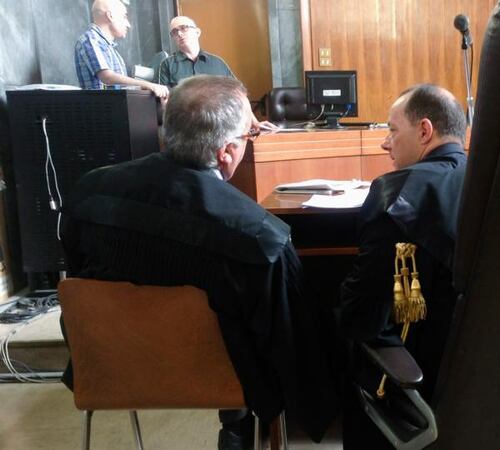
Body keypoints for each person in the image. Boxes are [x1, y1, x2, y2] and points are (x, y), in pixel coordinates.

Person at [60, 75, 338, 449]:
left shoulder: (88, 193)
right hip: (225, 380)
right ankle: (238, 425)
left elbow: (80, 281)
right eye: (248, 135)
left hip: (111, 370)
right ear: (226, 151)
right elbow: (292, 346)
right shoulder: (259, 235)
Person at [336, 84, 468, 449]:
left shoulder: (395, 194)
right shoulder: (492, 183)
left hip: (412, 387)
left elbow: (360, 317)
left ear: (425, 131)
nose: (384, 142)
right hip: (482, 379)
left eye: (392, 130)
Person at [74, 0, 169, 99]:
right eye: (124, 16)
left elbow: (121, 87)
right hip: (102, 111)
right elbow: (107, 77)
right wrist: (148, 85)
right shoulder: (91, 40)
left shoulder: (110, 48)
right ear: (110, 16)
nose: (128, 24)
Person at [157, 16, 234, 88]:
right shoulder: (167, 64)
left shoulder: (218, 62)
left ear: (197, 32)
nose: (179, 34)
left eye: (184, 28)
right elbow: (163, 99)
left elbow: (237, 92)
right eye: (174, 32)